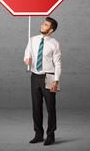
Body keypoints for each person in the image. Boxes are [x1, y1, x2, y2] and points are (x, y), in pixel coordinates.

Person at [24, 17, 62, 146]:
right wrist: (26, 59)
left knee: (51, 108)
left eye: (45, 25)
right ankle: (38, 134)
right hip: (35, 76)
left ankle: (50, 135)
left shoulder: (54, 44)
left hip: (49, 76)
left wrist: (56, 81)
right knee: (36, 107)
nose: (42, 25)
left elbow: (58, 64)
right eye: (43, 23)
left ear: (51, 30)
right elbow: (27, 53)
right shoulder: (33, 40)